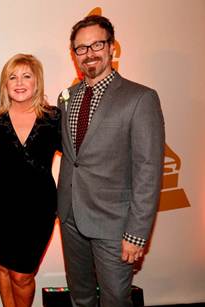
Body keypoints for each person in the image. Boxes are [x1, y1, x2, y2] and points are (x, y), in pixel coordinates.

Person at [57, 15, 165, 307]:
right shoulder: (67, 97)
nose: (89, 53)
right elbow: (73, 158)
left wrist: (137, 234)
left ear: (112, 47)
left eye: (97, 44)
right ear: (74, 55)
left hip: (115, 224)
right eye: (81, 48)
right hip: (70, 216)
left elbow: (149, 171)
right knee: (80, 297)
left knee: (116, 299)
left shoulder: (140, 98)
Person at [0, 54, 61, 307]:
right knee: (4, 268)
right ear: (5, 84)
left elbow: (78, 160)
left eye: (26, 76)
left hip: (38, 210)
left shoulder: (53, 118)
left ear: (37, 82)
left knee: (23, 274)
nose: (19, 82)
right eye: (12, 77)